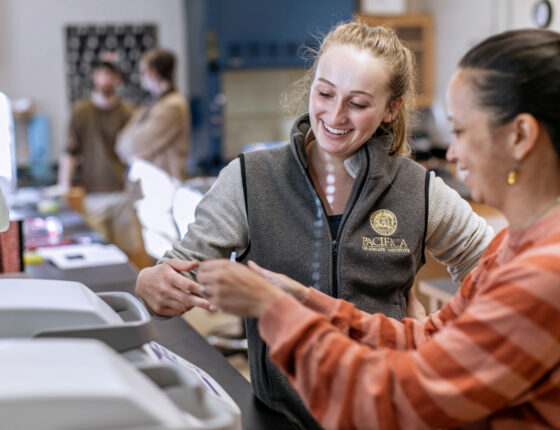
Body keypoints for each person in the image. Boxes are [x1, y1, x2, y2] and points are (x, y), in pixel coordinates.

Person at [135, 21, 494, 428]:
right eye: (324, 93)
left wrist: (435, 338)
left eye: (358, 104)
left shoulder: (420, 190)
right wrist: (152, 283)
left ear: (391, 108)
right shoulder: (250, 179)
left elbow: (496, 275)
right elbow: (182, 269)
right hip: (281, 417)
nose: (335, 115)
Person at [197, 28, 560, 429]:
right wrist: (302, 297)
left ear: (521, 136)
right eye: (326, 94)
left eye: (459, 131)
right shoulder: (513, 246)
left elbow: (396, 402)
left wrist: (275, 311)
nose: (452, 153)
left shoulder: (544, 271)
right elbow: (425, 341)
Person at [55, 60, 148, 268]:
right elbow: (70, 151)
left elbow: (138, 155)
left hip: (122, 193)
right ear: (94, 77)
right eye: (101, 74)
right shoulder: (81, 111)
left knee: (130, 251)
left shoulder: (127, 113)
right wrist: (64, 188)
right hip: (93, 195)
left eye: (110, 74)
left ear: (118, 79)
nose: (105, 79)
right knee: (97, 252)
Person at [116, 49, 190, 181]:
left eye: (143, 71)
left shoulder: (172, 106)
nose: (141, 76)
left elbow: (135, 146)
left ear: (152, 72)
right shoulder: (150, 104)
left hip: (166, 187)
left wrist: (135, 149)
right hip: (151, 187)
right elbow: (121, 145)